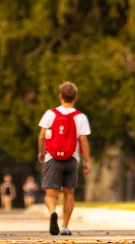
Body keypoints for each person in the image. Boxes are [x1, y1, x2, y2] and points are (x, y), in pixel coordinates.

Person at [38, 81, 90, 236]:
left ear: (60, 96)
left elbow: (41, 136)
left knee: (50, 194)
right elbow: (83, 140)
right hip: (72, 159)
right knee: (69, 193)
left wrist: (41, 152)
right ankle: (65, 226)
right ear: (75, 98)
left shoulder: (50, 114)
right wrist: (87, 160)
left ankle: (53, 211)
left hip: (52, 158)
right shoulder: (80, 117)